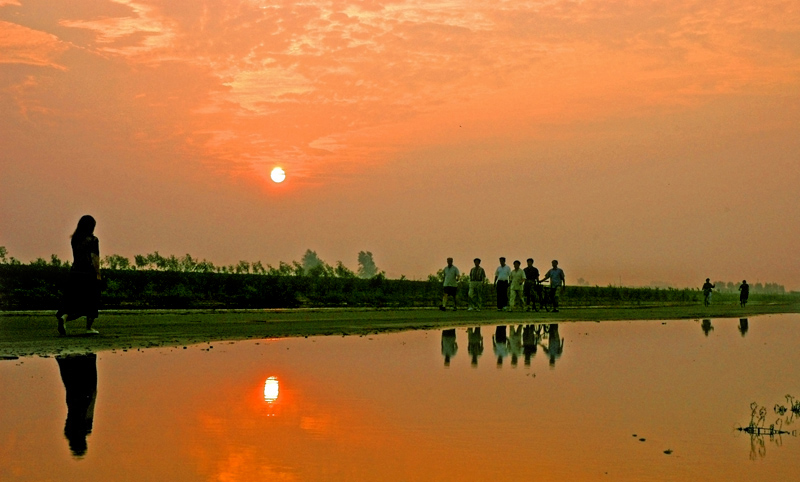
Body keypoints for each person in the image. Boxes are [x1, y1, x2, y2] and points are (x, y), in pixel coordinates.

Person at [56, 215, 101, 336]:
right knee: (91, 300)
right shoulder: (93, 240)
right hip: (88, 273)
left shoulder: (75, 239)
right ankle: (89, 327)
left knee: (73, 299)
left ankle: (64, 317)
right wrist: (98, 273)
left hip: (75, 272)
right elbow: (94, 257)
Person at [56, 353, 98, 458]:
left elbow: (89, 407)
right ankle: (69, 359)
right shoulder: (76, 430)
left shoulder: (82, 429)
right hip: (79, 399)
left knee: (74, 384)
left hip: (80, 398)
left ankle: (71, 359)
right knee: (73, 384)